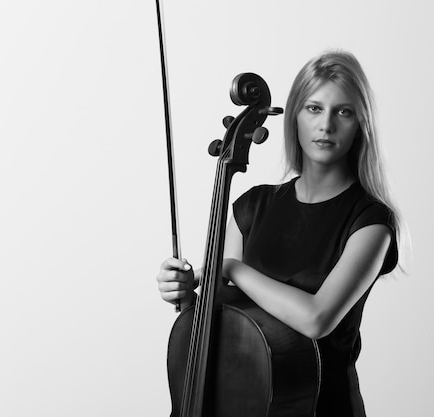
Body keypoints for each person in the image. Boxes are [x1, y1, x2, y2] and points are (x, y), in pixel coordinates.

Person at [157, 50, 405, 417]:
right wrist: (188, 293)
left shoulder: (370, 222)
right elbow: (225, 320)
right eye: (314, 108)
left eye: (344, 111)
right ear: (295, 119)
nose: (326, 126)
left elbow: (316, 319)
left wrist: (229, 268)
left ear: (361, 124)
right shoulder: (252, 207)